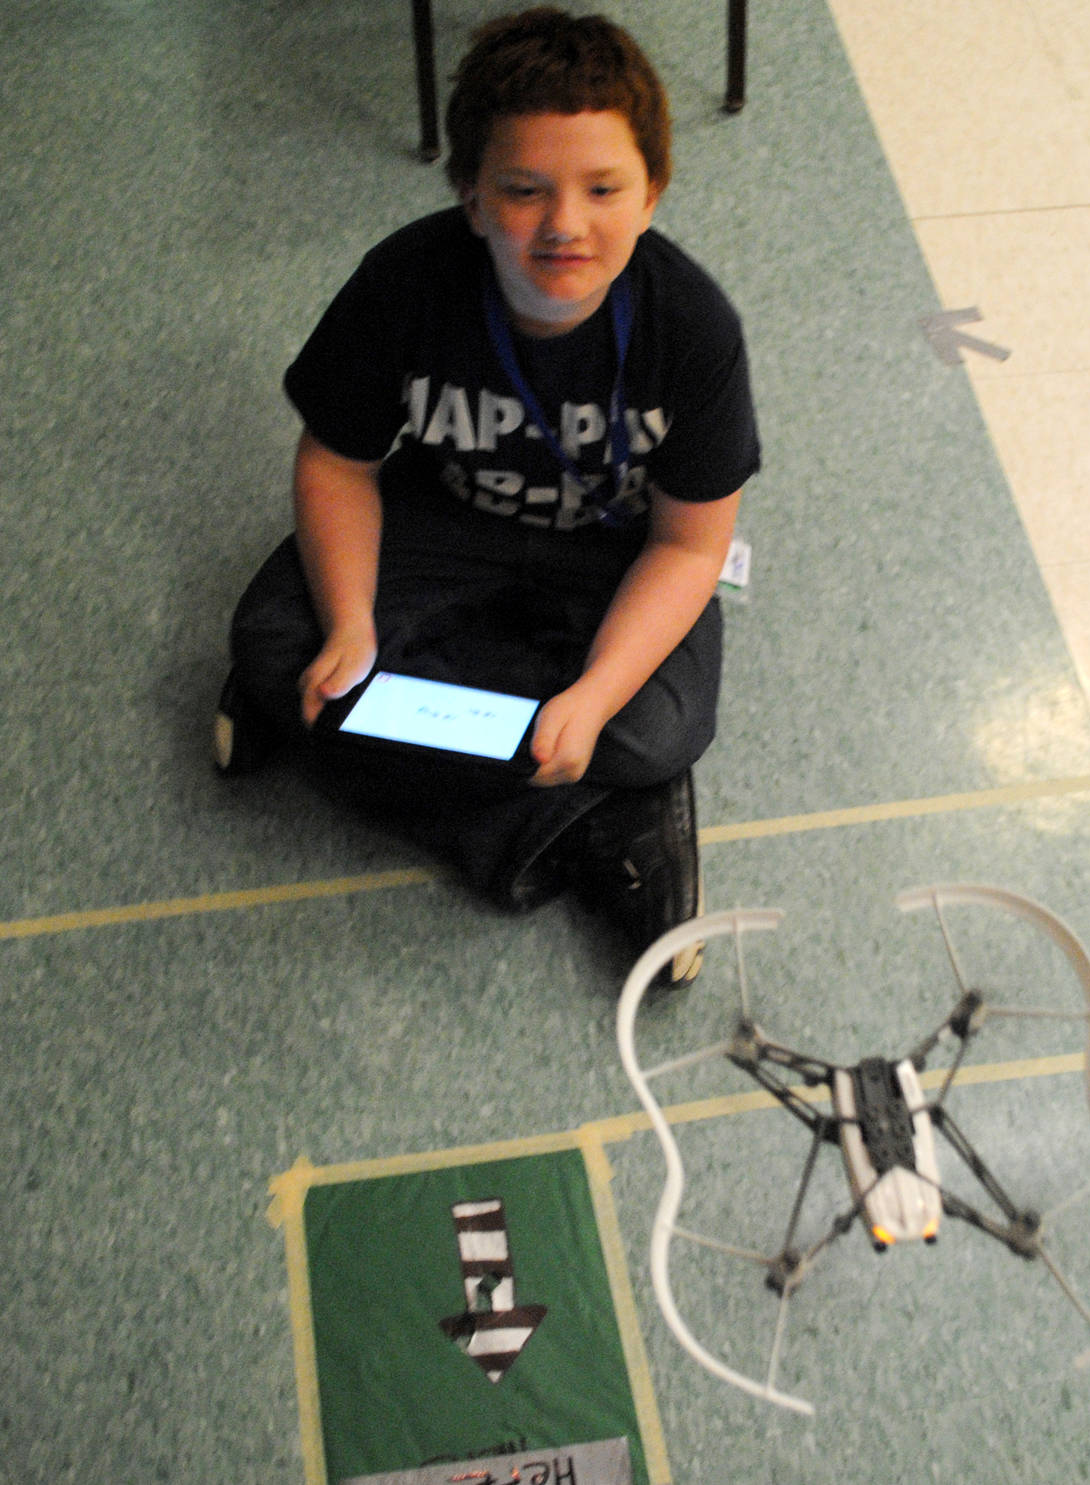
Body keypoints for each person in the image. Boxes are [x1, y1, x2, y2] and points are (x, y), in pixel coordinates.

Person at [217, 7, 760, 985]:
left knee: (651, 727)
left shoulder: (694, 329)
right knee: (276, 649)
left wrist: (594, 696)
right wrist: (346, 624)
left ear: (652, 195)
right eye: (522, 190)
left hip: (612, 548)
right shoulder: (403, 283)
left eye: (603, 189)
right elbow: (336, 463)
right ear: (470, 196)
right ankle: (583, 822)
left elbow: (688, 548)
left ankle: (419, 735)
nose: (563, 224)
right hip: (441, 520)